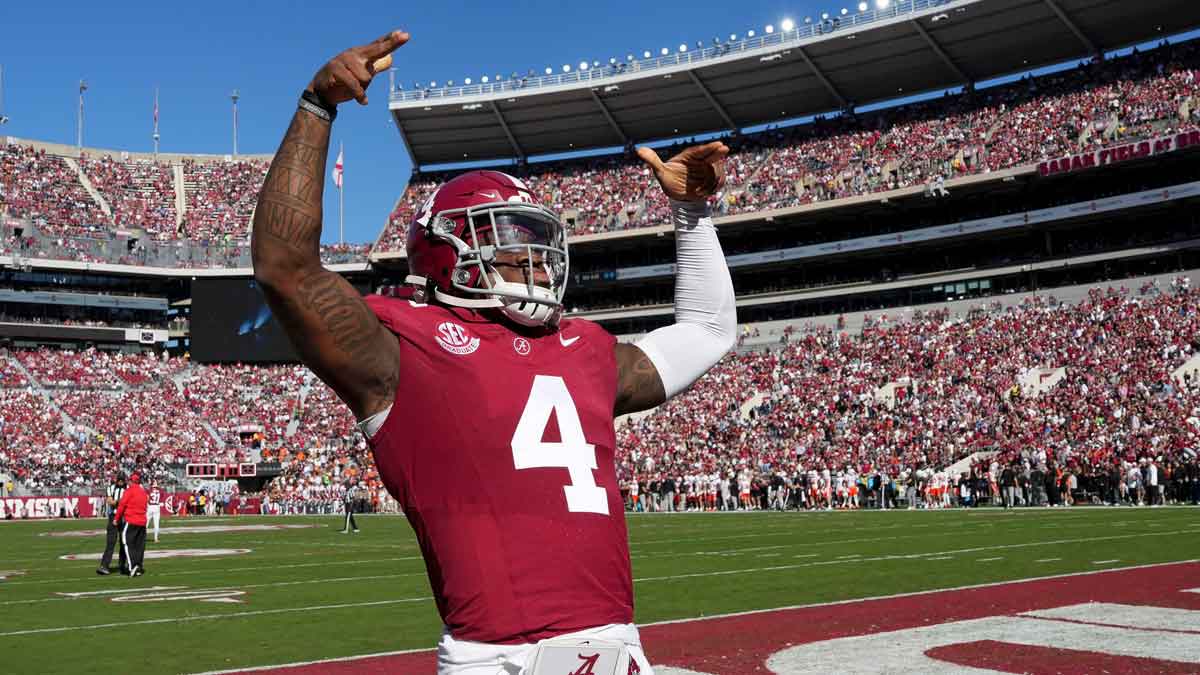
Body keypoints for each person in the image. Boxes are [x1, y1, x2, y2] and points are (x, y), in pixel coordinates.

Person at [250, 29, 735, 675]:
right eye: (506, 236)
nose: (530, 256)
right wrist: (317, 104)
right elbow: (285, 267)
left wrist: (692, 216)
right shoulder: (401, 344)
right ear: (445, 248)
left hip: (619, 649)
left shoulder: (584, 348)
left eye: (538, 239)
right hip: (496, 658)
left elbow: (707, 329)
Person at [113, 472, 149, 577]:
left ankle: (132, 566)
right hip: (142, 522)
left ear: (130, 481)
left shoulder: (129, 491)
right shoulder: (143, 492)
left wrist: (116, 518)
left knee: (127, 543)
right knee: (139, 546)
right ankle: (138, 565)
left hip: (132, 521)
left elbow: (122, 505)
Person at [97, 473, 127, 576]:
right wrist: (120, 501)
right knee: (110, 542)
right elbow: (110, 501)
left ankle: (122, 565)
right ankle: (104, 566)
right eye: (120, 480)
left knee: (124, 543)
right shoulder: (111, 488)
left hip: (124, 517)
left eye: (122, 481)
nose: (121, 482)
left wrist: (120, 502)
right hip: (113, 517)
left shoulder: (128, 488)